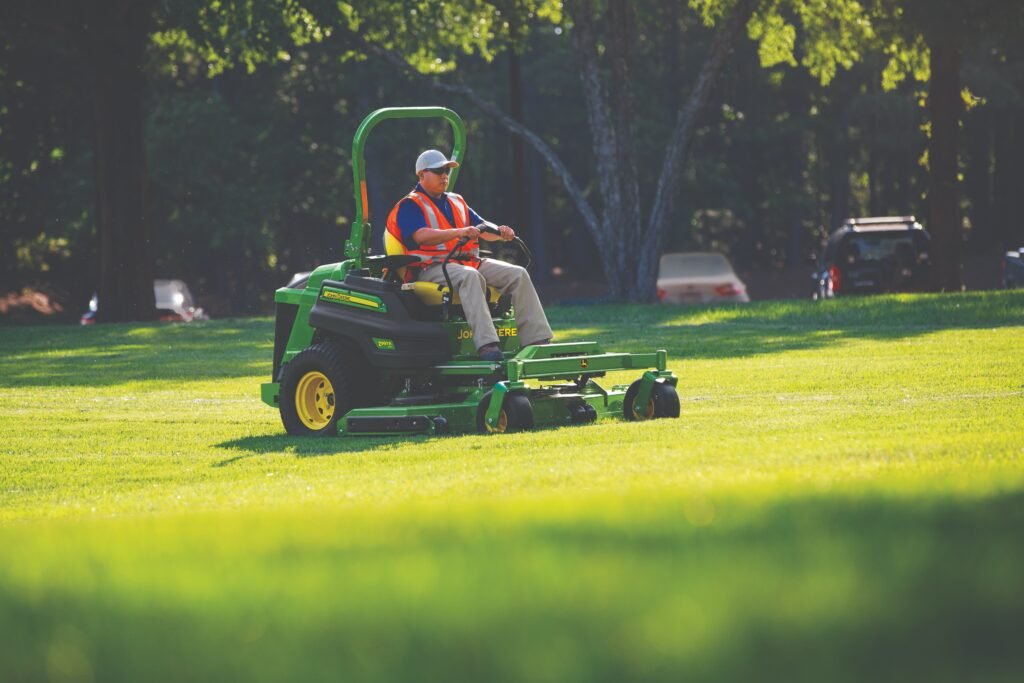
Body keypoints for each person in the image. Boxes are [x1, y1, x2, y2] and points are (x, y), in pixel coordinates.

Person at [385, 149, 552, 361]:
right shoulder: (410, 205)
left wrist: (501, 234)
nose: (444, 175)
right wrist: (460, 232)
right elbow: (421, 236)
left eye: (446, 170)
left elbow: (482, 229)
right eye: (438, 171)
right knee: (470, 277)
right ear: (421, 175)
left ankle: (537, 341)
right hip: (429, 268)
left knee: (517, 274)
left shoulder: (456, 201)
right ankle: (488, 346)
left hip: (466, 262)